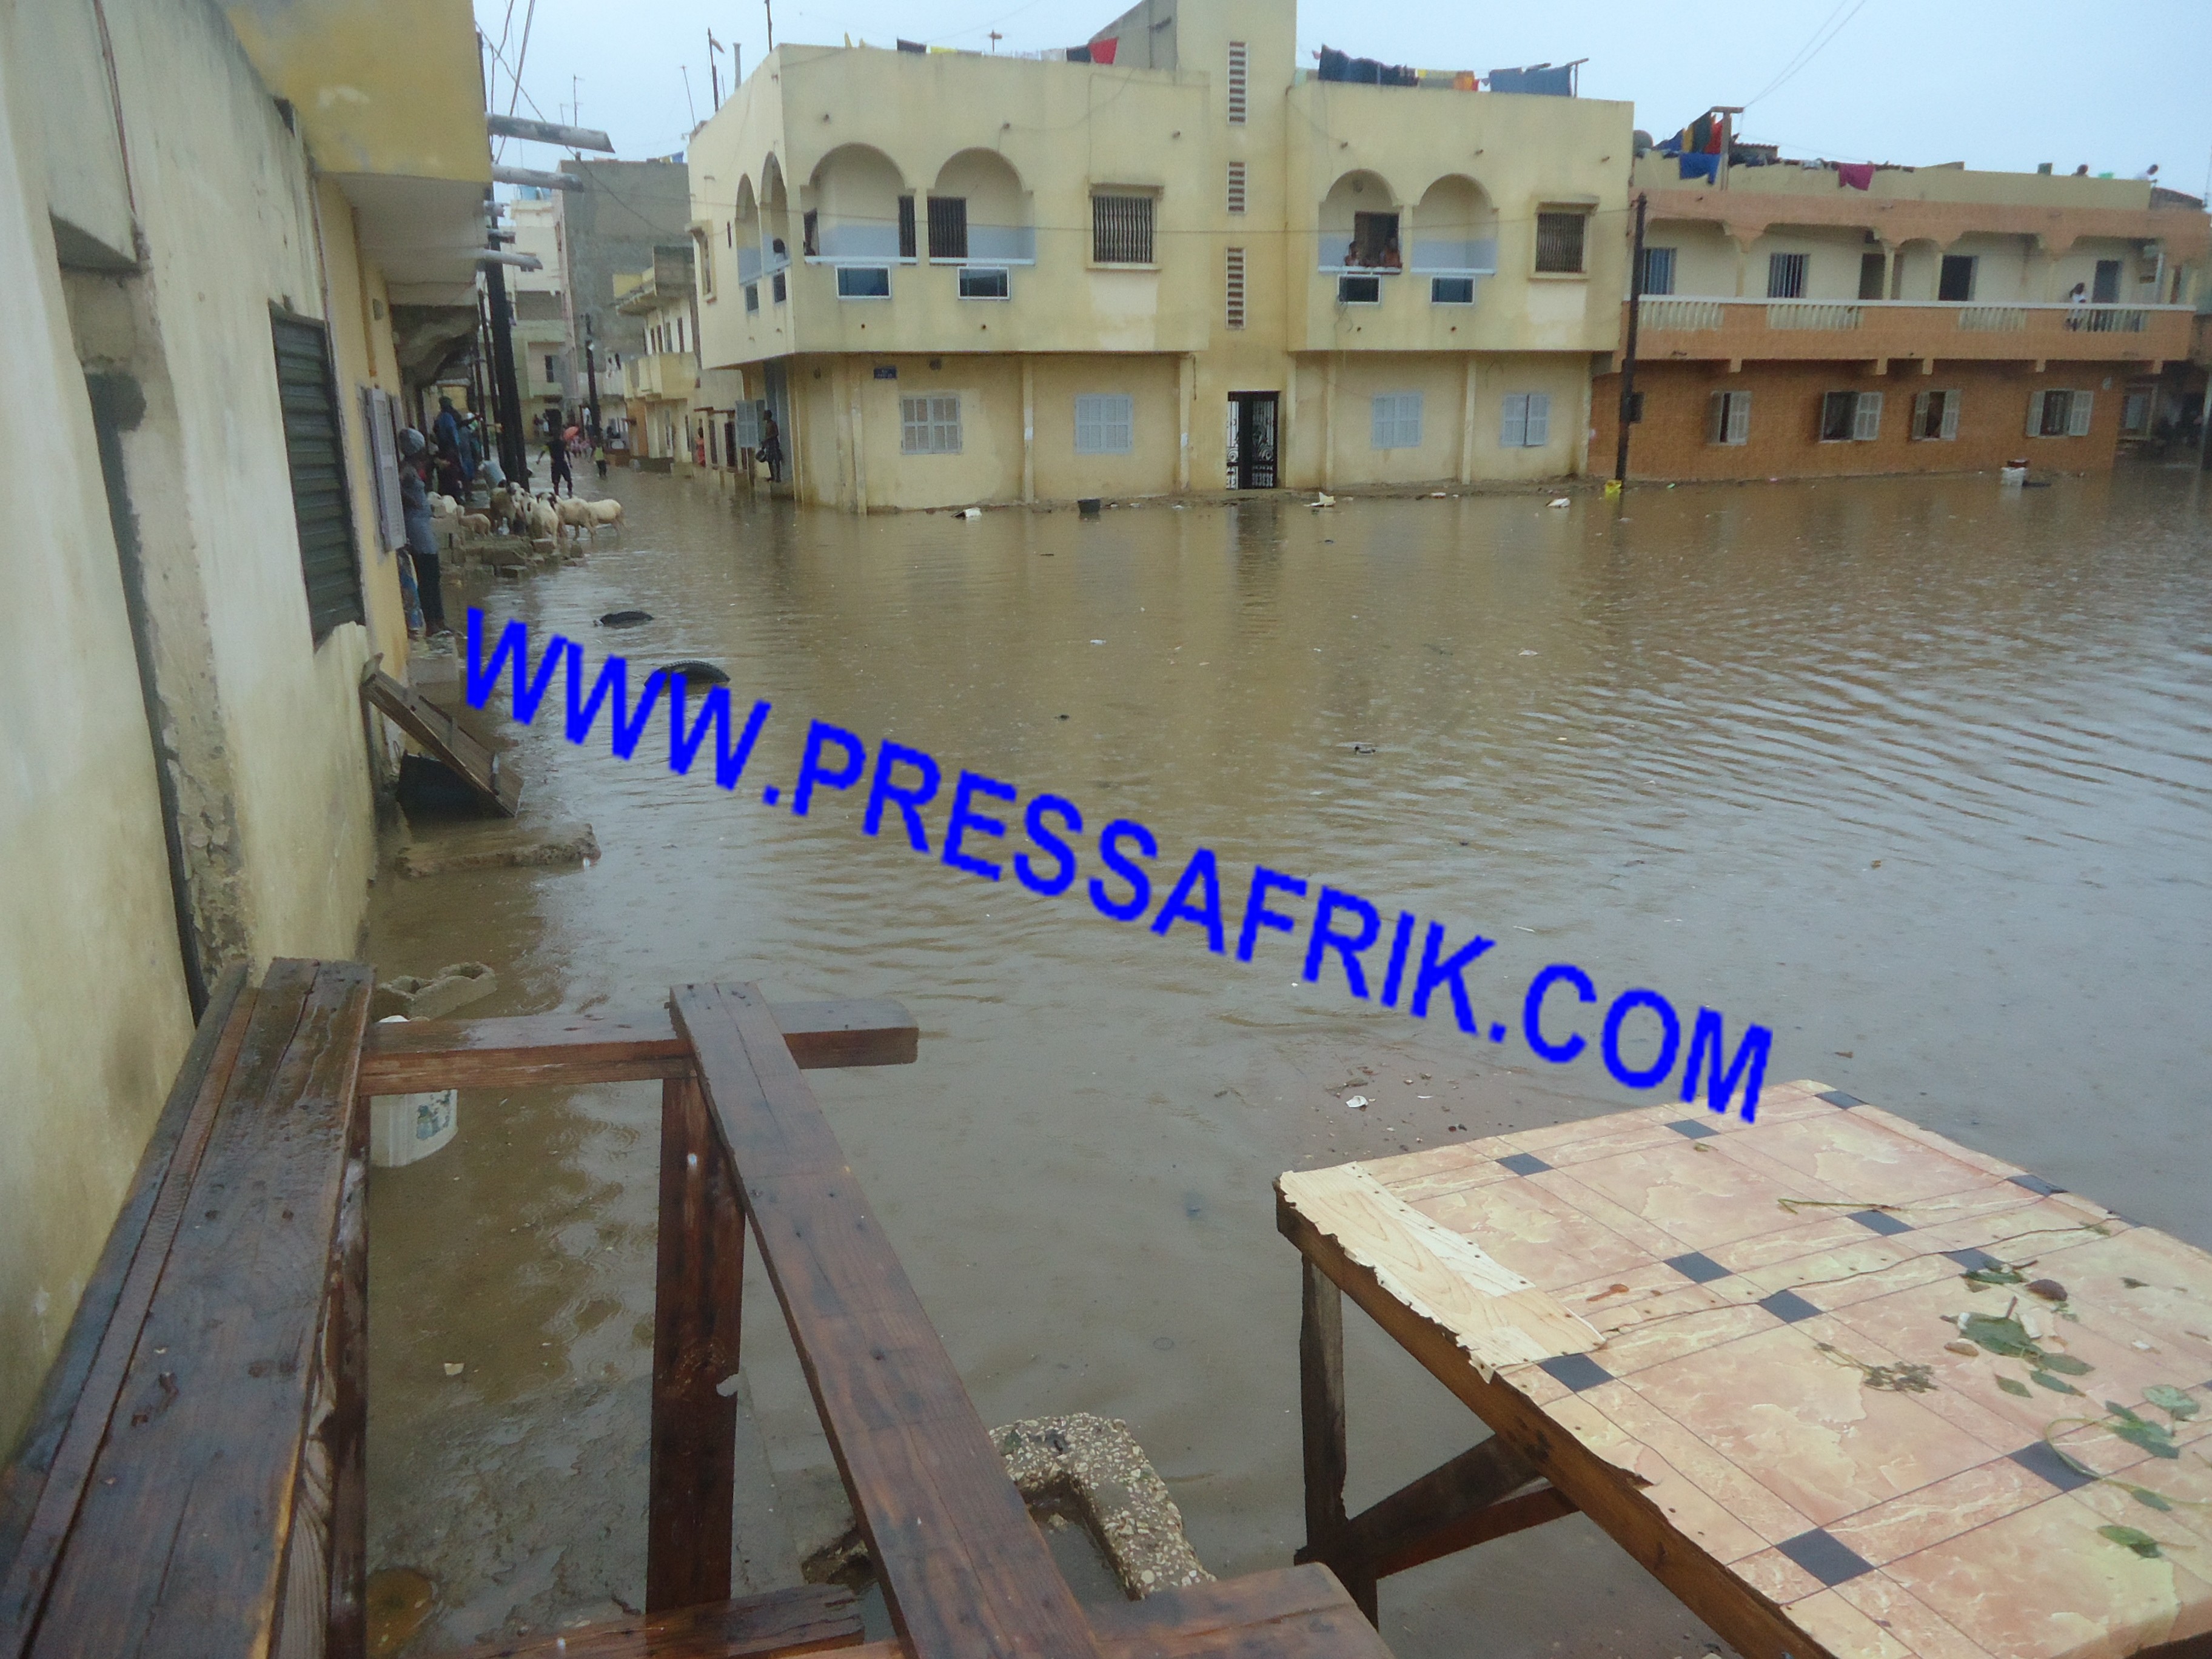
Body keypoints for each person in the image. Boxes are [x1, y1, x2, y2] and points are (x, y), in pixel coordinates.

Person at [398, 427, 446, 637]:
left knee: (434, 572)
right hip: (416, 526)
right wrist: (409, 500)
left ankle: (439, 620)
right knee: (428, 573)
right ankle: (432, 623)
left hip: (423, 524)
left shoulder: (414, 467)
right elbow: (394, 485)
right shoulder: (406, 469)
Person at [544, 429, 575, 497]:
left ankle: (557, 495)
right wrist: (570, 463)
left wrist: (539, 459)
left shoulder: (549, 444)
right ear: (560, 436)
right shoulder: (563, 443)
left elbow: (543, 451)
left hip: (555, 464)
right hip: (562, 463)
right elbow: (567, 453)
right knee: (569, 479)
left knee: (556, 482)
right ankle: (570, 493)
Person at [758, 408, 783, 483]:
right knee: (769, 461)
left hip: (774, 443)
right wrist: (764, 446)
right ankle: (773, 476)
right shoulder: (767, 425)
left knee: (777, 460)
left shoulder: (773, 424)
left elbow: (776, 433)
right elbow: (766, 436)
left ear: (768, 416)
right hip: (769, 444)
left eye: (765, 415)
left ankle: (778, 476)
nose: (763, 416)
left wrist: (768, 438)